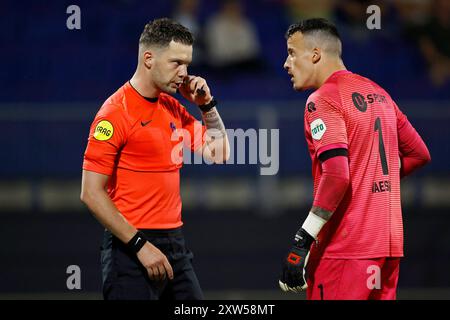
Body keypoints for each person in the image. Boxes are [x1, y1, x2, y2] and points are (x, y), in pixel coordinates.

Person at [279, 18, 431, 300]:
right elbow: (419, 154)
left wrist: (303, 239)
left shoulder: (322, 99)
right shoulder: (381, 95)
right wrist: (370, 177)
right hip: (388, 246)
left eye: (291, 52)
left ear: (315, 54)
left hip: (346, 250)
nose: (286, 64)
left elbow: (336, 176)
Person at [80, 18, 230, 300]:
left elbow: (220, 153)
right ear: (148, 58)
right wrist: (140, 245)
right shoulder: (115, 112)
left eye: (187, 64)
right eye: (176, 63)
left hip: (175, 244)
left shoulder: (172, 107)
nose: (184, 74)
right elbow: (90, 193)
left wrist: (206, 106)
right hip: (129, 247)